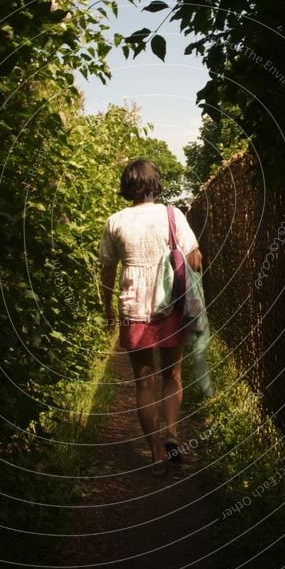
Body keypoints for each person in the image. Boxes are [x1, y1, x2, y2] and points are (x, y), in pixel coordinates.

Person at [99, 159, 202, 477]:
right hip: (170, 305)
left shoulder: (114, 222)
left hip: (133, 309)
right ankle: (172, 434)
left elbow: (107, 270)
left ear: (127, 185)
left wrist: (107, 309)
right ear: (155, 183)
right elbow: (195, 258)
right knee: (172, 376)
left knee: (143, 383)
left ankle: (156, 455)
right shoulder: (173, 215)